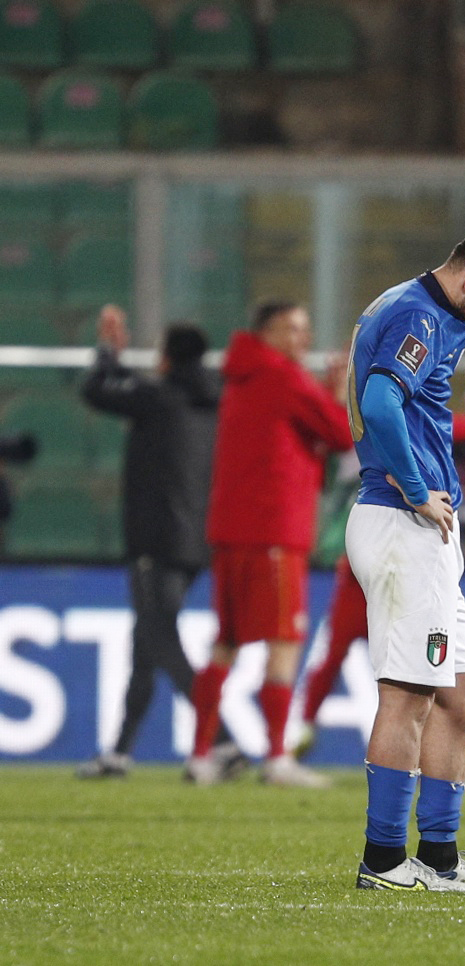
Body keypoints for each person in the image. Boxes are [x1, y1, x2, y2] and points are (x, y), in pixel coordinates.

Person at [349, 223, 465, 892]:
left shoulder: (423, 310)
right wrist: (409, 481)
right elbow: (379, 401)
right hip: (402, 520)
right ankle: (381, 861)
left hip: (424, 527)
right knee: (409, 696)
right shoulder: (418, 316)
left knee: (462, 697)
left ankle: (437, 858)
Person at [294, 392, 465, 753]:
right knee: (426, 660)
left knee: (378, 659)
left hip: (364, 558)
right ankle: (452, 744)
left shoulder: (369, 419)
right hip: (395, 558)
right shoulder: (411, 421)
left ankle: (302, 728)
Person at [186, 301, 353, 788]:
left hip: (231, 529)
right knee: (286, 640)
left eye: (304, 329)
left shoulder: (242, 375)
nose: (300, 339)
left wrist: (323, 393)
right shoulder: (284, 377)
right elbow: (342, 435)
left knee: (227, 642)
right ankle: (277, 758)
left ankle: (201, 757)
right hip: (275, 528)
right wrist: (337, 392)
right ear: (264, 333)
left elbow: (295, 432)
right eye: (289, 329)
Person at [75, 304, 242, 779]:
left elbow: (95, 391)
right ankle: (120, 753)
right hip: (197, 539)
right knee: (145, 643)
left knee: (159, 637)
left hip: (155, 536)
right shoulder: (214, 400)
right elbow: (144, 390)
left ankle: (225, 742)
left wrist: (109, 352)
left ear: (166, 358)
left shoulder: (158, 397)